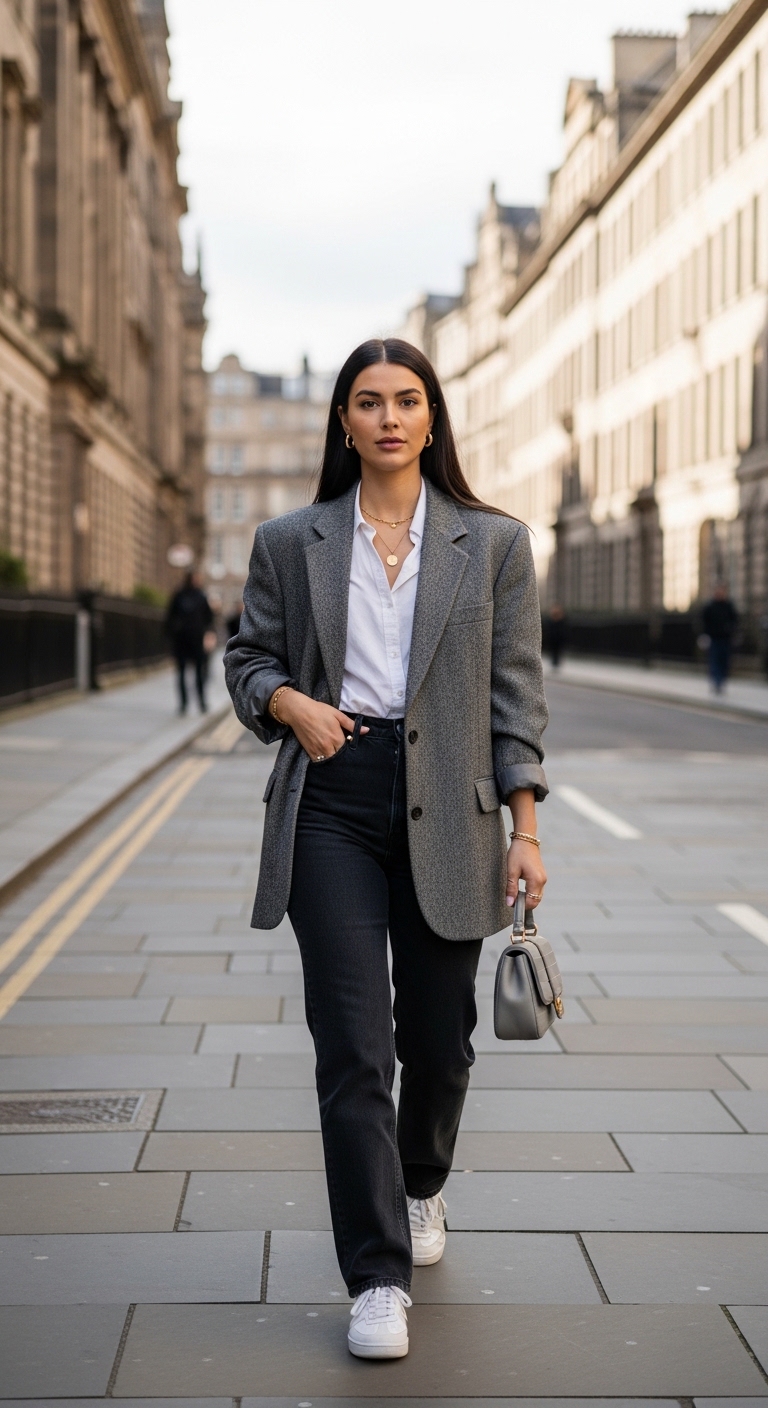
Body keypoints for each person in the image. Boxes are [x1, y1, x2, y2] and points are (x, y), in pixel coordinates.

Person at [225, 338, 548, 1360]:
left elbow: (515, 697)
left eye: (408, 400)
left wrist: (526, 828)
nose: (390, 418)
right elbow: (247, 657)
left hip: (452, 802)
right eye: (369, 402)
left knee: (441, 1043)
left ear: (433, 417)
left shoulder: (493, 544)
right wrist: (288, 703)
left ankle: (422, 1182)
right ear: (344, 422)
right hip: (333, 798)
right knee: (354, 1047)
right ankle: (375, 1277)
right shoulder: (292, 540)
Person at [165, 571, 213, 714]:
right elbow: (170, 617)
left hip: (197, 639)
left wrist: (208, 635)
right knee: (181, 673)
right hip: (181, 640)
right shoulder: (179, 596)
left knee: (199, 672)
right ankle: (183, 704)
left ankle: (201, 701)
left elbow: (209, 619)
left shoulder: (202, 596)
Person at [702, 582, 738, 694]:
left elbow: (735, 620)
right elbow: (704, 622)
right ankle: (717, 681)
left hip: (726, 638)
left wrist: (732, 631)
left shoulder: (729, 606)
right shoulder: (710, 607)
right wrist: (705, 635)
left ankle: (722, 681)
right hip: (714, 638)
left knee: (724, 661)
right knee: (715, 660)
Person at [547, 603, 567, 668]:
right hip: (554, 637)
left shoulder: (560, 620)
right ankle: (554, 662)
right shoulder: (553, 620)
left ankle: (556, 662)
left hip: (558, 637)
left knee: (557, 650)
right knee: (554, 650)